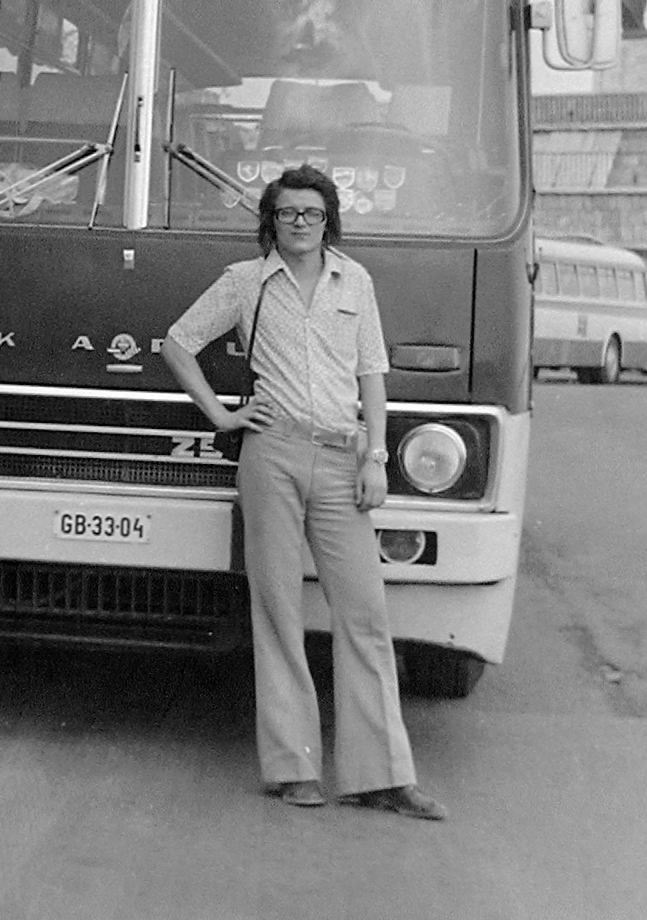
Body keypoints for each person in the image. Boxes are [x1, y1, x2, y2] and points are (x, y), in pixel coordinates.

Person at [161, 163, 446, 819]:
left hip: (342, 458)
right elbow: (179, 343)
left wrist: (376, 455)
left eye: (311, 213)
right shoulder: (246, 282)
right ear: (272, 218)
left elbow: (372, 370)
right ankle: (293, 767)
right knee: (278, 609)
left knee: (365, 614)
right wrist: (222, 415)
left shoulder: (356, 280)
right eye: (287, 212)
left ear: (328, 221)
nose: (299, 223)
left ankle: (382, 776)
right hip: (272, 456)